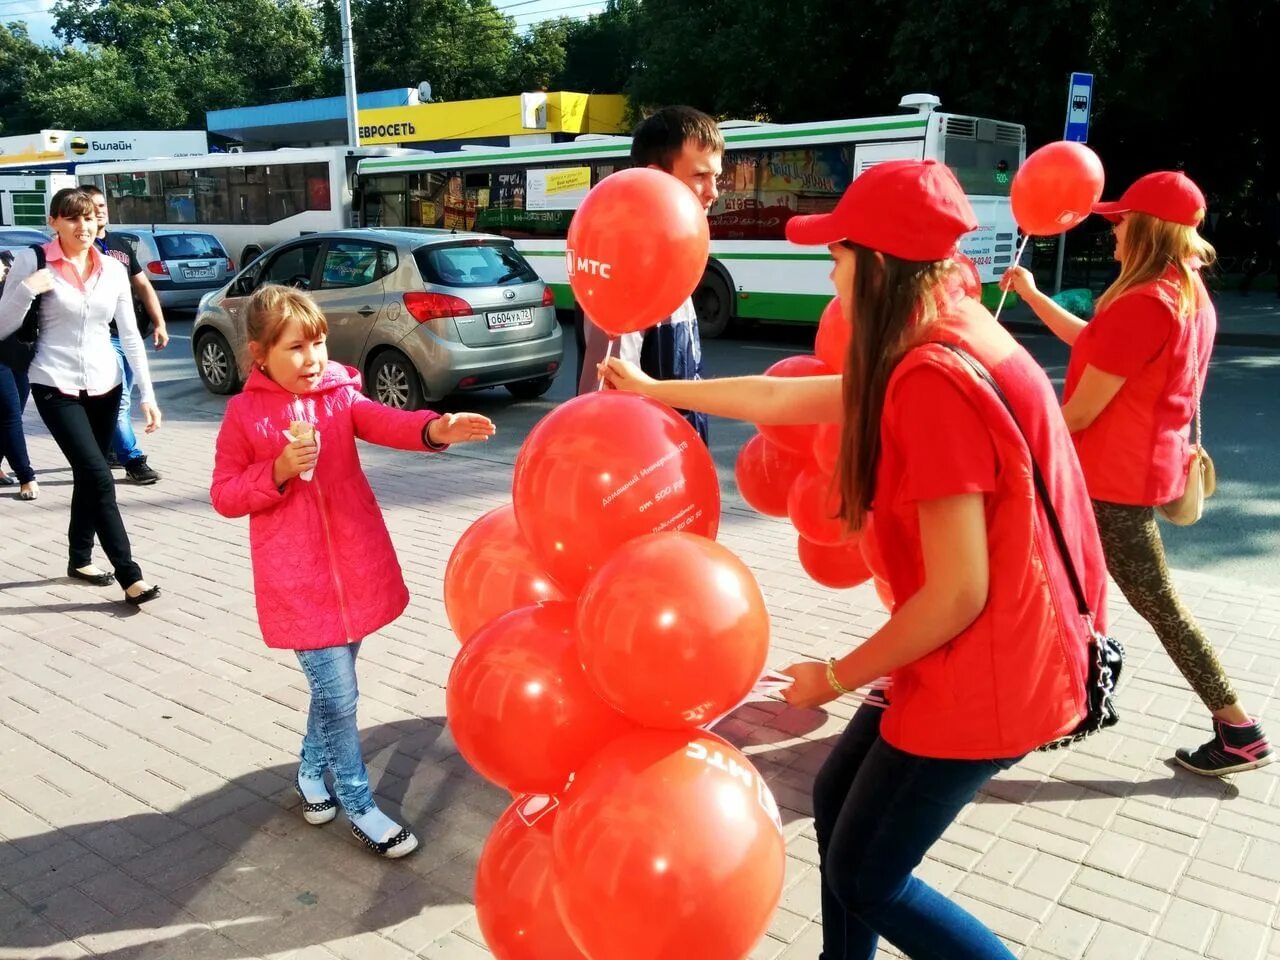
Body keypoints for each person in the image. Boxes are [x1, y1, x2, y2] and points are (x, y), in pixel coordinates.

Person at [600, 159, 1107, 960]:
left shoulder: (934, 378)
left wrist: (834, 676)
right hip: (978, 651)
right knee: (839, 807)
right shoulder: (941, 329)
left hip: (990, 669)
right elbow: (785, 398)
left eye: (837, 256)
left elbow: (958, 593)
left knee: (870, 875)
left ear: (876, 264)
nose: (831, 272)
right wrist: (652, 389)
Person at [1003, 171, 1273, 776]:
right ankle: (1052, 700)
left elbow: (1078, 413)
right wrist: (1032, 295)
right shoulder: (1183, 291)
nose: (1113, 232)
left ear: (1147, 229)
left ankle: (1238, 727)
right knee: (1060, 585)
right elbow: (1096, 347)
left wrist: (1007, 439)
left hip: (1108, 482)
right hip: (1134, 472)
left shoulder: (1145, 303)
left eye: (1121, 221)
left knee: (1149, 602)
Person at [211, 284, 495, 858]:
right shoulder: (244, 415)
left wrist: (435, 429)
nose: (312, 358)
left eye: (317, 343)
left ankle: (309, 771)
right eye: (295, 348)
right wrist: (279, 470)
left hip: (355, 567)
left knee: (330, 693)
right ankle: (360, 805)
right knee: (339, 696)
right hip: (299, 583)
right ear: (260, 354)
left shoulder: (340, 396)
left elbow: (385, 422)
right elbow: (224, 494)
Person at [0, 188, 162, 603]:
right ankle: (131, 577)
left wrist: (147, 393)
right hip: (55, 384)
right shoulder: (31, 261)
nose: (83, 226)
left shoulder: (111, 268)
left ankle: (79, 558)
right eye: (72, 218)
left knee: (88, 477)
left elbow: (128, 333)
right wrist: (25, 291)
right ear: (53, 221)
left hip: (106, 384)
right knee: (98, 476)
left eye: (89, 217)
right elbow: (2, 327)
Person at [576, 105, 723, 444]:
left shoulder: (672, 258)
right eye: (700, 176)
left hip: (679, 464)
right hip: (648, 477)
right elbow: (606, 408)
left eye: (717, 177)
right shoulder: (625, 271)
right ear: (657, 177)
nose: (713, 191)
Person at [85, 186, 167, 484]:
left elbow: (143, 286)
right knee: (119, 399)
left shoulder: (120, 244)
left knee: (122, 395)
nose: (99, 210)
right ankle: (133, 459)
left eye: (102, 205)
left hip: (128, 332)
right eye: (92, 206)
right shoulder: (80, 247)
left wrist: (159, 322)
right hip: (100, 337)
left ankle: (107, 447)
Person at [0, 254, 39, 500]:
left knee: (12, 413)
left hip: (17, 352)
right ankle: (26, 476)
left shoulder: (9, 262)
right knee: (10, 414)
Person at [1239, 186, 1280, 298]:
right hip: (1270, 241)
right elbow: (1273, 226)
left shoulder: (1271, 208)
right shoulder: (1273, 209)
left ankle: (1244, 285)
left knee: (1264, 264)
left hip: (1268, 241)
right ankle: (1244, 285)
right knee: (1263, 264)